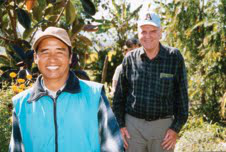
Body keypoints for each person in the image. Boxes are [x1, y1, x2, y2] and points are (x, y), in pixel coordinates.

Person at [9, 27, 123, 152]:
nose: (52, 58)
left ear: (70, 58)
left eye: (60, 51)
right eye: (45, 52)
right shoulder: (21, 104)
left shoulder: (94, 96)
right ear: (36, 58)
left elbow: (113, 147)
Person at [113, 12, 189, 152]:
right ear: (138, 34)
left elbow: (182, 97)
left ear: (160, 33)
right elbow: (119, 97)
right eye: (143, 32)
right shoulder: (129, 59)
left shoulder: (174, 57)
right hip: (133, 128)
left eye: (153, 31)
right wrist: (121, 125)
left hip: (163, 128)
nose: (148, 36)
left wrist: (175, 128)